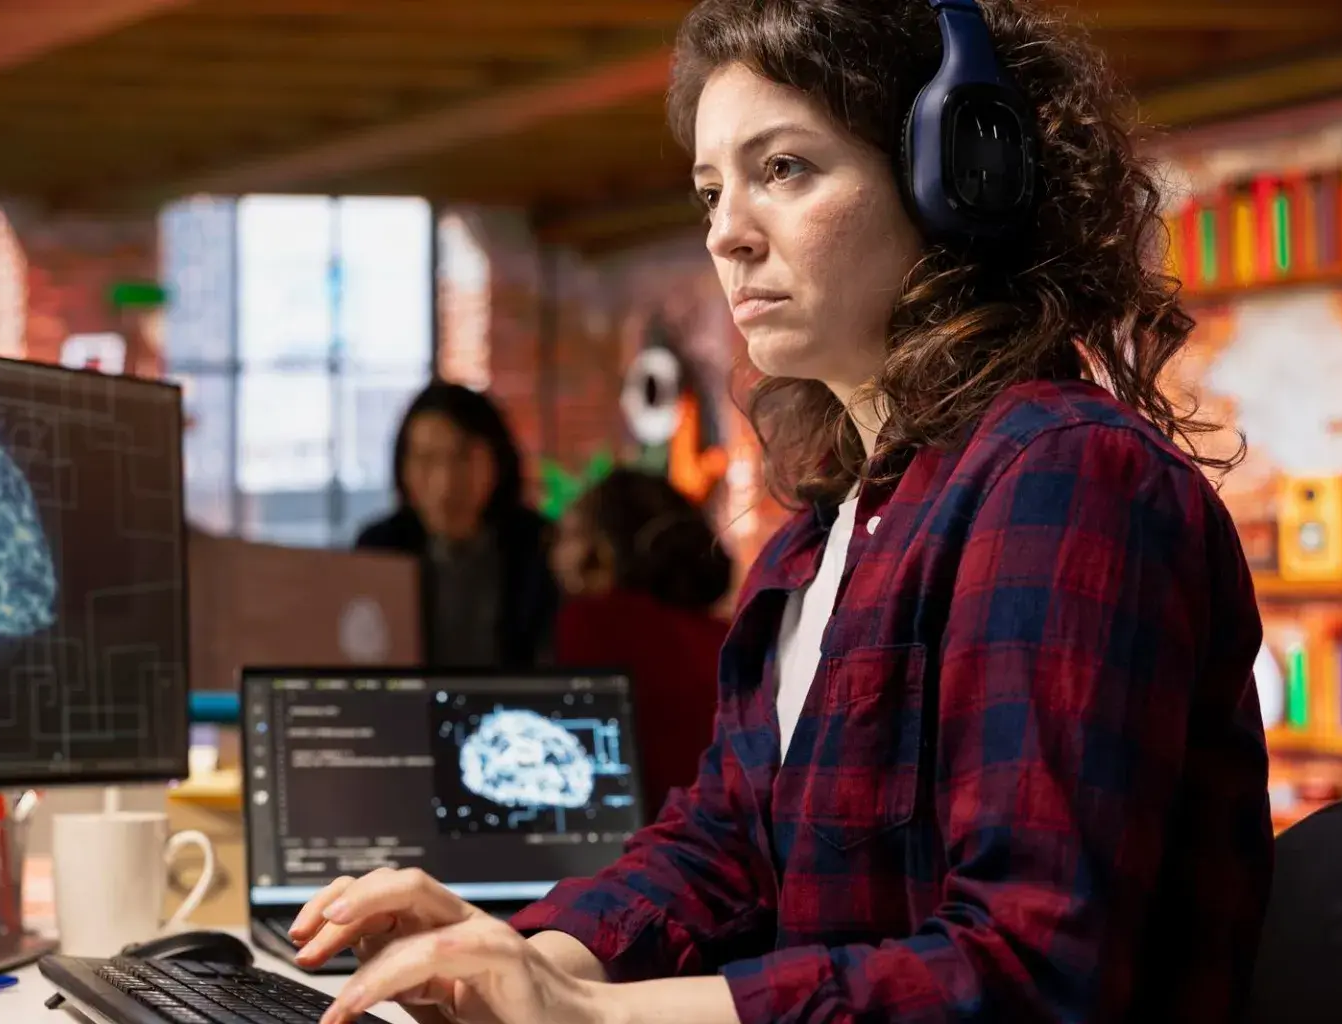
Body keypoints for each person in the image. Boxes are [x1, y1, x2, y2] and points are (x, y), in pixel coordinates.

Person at [293, 1, 1273, 1021]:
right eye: (711, 190)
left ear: (956, 182)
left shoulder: (1067, 480)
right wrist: (520, 962)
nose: (726, 233)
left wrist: (597, 1015)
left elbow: (1030, 973)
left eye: (784, 169)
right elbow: (726, 848)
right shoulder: (825, 530)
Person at [549, 468, 733, 816]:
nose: (554, 554)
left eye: (568, 535)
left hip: (639, 839)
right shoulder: (725, 635)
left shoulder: (589, 624)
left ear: (601, 553)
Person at [357, 382, 559, 668]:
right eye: (426, 460)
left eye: (462, 458)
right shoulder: (380, 548)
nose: (446, 484)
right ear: (403, 469)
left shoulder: (540, 546)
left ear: (497, 461)